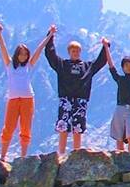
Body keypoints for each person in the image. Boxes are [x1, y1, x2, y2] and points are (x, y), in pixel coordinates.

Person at [39, 26, 108, 155]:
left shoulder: (87, 67)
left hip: (81, 101)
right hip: (66, 99)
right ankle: (61, 154)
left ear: (80, 52)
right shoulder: (63, 65)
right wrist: (50, 35)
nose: (75, 53)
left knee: (78, 128)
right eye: (73, 50)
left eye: (77, 50)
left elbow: (100, 61)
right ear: (69, 52)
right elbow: (50, 54)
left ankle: (76, 154)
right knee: (63, 126)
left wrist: (105, 46)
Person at [0, 21, 38, 161]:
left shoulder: (29, 66)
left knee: (25, 127)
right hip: (13, 98)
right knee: (8, 127)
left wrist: (49, 36)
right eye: (21, 54)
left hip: (28, 98)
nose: (23, 56)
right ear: (17, 55)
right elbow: (3, 49)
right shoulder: (10, 65)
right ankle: (3, 156)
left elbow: (39, 51)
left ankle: (23, 156)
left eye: (25, 54)